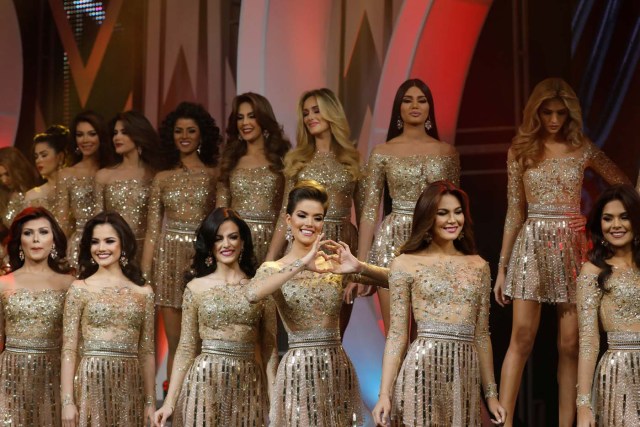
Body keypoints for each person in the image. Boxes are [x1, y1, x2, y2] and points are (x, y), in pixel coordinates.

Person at [493, 77, 630, 426]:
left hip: (571, 246)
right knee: (521, 338)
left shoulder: (581, 146)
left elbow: (622, 185)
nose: (554, 119)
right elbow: (514, 211)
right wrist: (502, 267)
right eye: (547, 112)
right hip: (531, 245)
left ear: (570, 114)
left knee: (570, 344)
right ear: (535, 112)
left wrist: (591, 222)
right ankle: (504, 422)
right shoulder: (520, 149)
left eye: (560, 113)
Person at [246, 180, 387, 426]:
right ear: (288, 220)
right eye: (302, 215)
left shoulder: (334, 264)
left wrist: (360, 266)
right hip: (298, 370)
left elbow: (397, 279)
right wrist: (300, 262)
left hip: (335, 367)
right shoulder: (274, 268)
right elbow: (252, 294)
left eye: (317, 218)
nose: (309, 224)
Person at [369, 181, 505, 426]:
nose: (452, 219)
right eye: (442, 213)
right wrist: (384, 395)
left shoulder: (479, 266)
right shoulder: (404, 264)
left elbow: (482, 335)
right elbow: (398, 335)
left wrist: (492, 396)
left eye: (457, 211)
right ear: (428, 218)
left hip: (464, 376)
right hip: (421, 372)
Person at [153, 208, 277, 427]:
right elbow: (185, 348)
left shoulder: (260, 288)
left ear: (243, 242)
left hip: (248, 387)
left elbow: (269, 349)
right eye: (218, 238)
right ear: (210, 244)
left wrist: (274, 402)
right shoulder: (195, 288)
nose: (226, 244)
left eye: (233, 237)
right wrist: (169, 403)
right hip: (204, 383)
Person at [357, 78, 460, 333]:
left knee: (431, 332)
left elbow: (456, 210)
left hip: (433, 240)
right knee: (397, 334)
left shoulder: (446, 152)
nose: (415, 105)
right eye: (408, 100)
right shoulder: (382, 152)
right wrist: (361, 265)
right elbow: (370, 211)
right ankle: (397, 375)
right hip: (392, 242)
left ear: (429, 108)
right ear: (398, 108)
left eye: (422, 100)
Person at [265, 88, 362, 335]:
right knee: (304, 331)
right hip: (304, 248)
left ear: (332, 114)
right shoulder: (298, 161)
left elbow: (364, 217)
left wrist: (360, 266)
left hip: (341, 249)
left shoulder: (352, 160)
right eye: (306, 113)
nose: (310, 117)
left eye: (316, 111)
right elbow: (283, 216)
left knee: (336, 333)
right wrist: (269, 260)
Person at [141, 101, 220, 381]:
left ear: (202, 136)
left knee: (200, 341)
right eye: (178, 131)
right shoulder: (162, 178)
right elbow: (152, 231)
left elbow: (221, 223)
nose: (184, 136)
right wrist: (145, 272)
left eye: (191, 130)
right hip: (168, 260)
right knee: (176, 344)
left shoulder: (214, 175)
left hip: (201, 259)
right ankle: (175, 411)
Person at [61, 211, 155, 426]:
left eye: (109, 241)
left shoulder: (143, 292)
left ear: (124, 244)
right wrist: (67, 401)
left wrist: (150, 401)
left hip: (131, 384)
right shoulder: (79, 289)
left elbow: (147, 351)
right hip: (90, 383)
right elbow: (69, 348)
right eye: (95, 242)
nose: (101, 248)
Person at [0, 207, 73, 426]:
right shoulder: (3, 284)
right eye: (28, 233)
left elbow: (73, 342)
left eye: (43, 232)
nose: (35, 240)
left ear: (54, 239)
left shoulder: (69, 284)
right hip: (10, 375)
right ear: (19, 240)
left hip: (54, 375)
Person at [576, 184, 640, 427]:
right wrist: (583, 406)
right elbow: (589, 342)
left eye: (624, 217)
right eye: (608, 218)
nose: (616, 225)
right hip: (617, 374)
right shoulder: (592, 272)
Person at [216, 92, 290, 264]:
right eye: (240, 118)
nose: (245, 123)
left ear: (263, 120)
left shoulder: (282, 160)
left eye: (251, 116)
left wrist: (272, 256)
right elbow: (220, 211)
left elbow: (286, 211)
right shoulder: (230, 161)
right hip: (235, 242)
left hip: (272, 242)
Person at [94, 111, 166, 264]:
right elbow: (98, 222)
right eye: (115, 133)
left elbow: (156, 225)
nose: (117, 138)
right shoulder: (104, 176)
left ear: (138, 134)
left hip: (147, 251)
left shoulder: (155, 175)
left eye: (124, 132)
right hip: (111, 250)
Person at [56, 111, 115, 269]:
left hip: (110, 243)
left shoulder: (112, 172)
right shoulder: (67, 174)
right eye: (80, 135)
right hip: (80, 245)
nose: (85, 140)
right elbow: (62, 221)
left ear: (101, 137)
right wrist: (58, 253)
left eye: (91, 134)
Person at [5, 126, 68, 223]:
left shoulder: (74, 189)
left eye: (44, 155)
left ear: (60, 157)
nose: (38, 160)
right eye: (36, 156)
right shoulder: (32, 195)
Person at [0, 147, 40, 222]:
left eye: (7, 174)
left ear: (17, 170)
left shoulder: (36, 193)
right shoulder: (4, 195)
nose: (4, 180)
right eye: (0, 176)